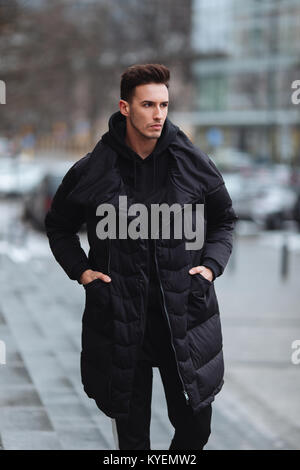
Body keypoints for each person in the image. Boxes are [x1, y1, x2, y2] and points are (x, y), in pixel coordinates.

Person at [44, 63, 238, 450]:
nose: (159, 114)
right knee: (133, 442)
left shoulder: (194, 164)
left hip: (184, 316)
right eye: (148, 104)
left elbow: (225, 221)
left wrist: (210, 269)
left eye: (164, 105)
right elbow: (59, 227)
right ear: (125, 107)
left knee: (197, 429)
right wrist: (82, 272)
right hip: (119, 318)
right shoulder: (92, 169)